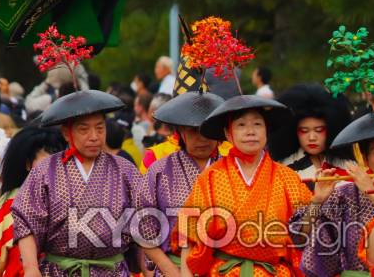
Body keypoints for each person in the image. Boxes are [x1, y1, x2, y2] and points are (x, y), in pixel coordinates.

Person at [14, 88, 148, 277]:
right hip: (59, 271)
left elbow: (144, 225)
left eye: (100, 128)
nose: (94, 136)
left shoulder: (125, 170)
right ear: (67, 133)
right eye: (84, 129)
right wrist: (31, 268)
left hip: (112, 272)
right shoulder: (45, 170)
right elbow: (26, 221)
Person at [179, 94, 312, 277]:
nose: (250, 131)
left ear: (267, 130)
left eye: (257, 124)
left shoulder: (287, 177)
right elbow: (189, 238)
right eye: (241, 125)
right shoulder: (210, 178)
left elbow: (306, 232)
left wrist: (318, 201)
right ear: (228, 133)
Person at [290, 108, 374, 276]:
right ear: (365, 159)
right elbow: (299, 238)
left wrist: (372, 194)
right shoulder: (345, 194)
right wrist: (317, 201)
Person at [140, 90, 224, 276]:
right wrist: (170, 270)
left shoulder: (233, 168)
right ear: (180, 132)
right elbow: (142, 230)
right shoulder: (159, 171)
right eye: (193, 131)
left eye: (207, 131)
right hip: (174, 268)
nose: (201, 138)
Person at [0, 127, 65, 277]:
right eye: (46, 163)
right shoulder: (11, 202)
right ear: (28, 164)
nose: (54, 169)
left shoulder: (71, 197)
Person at [269, 83, 352, 182]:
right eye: (304, 131)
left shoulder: (347, 165)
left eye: (319, 130)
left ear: (332, 129)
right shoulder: (283, 170)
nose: (312, 137)